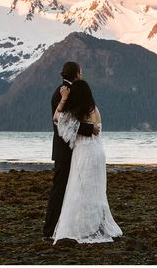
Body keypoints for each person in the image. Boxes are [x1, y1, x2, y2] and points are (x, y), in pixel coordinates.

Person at [51, 80, 122, 244]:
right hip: (97, 153)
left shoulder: (77, 112)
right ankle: (95, 225)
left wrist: (63, 98)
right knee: (95, 192)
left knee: (79, 190)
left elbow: (57, 118)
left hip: (84, 153)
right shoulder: (94, 109)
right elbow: (93, 129)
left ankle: (83, 228)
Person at [43, 62, 100, 239]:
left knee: (70, 190)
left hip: (69, 149)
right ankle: (50, 230)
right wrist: (90, 130)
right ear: (76, 74)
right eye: (80, 72)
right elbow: (66, 122)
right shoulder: (65, 93)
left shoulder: (63, 91)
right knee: (60, 191)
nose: (82, 74)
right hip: (65, 150)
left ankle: (62, 227)